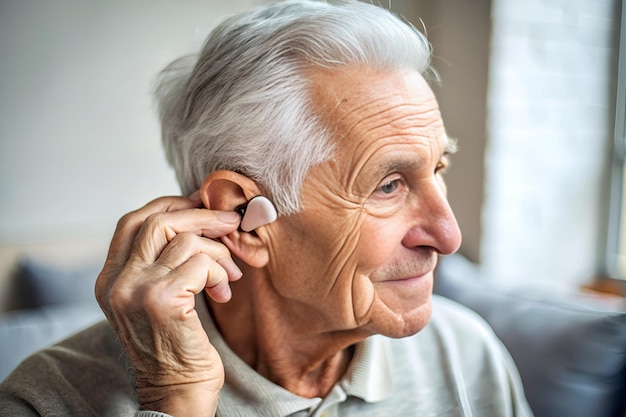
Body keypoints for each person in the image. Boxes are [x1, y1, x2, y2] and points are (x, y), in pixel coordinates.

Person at [0, 1, 534, 416]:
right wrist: (174, 400)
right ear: (247, 219)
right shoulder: (46, 403)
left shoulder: (467, 354)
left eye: (438, 169)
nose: (448, 235)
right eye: (388, 185)